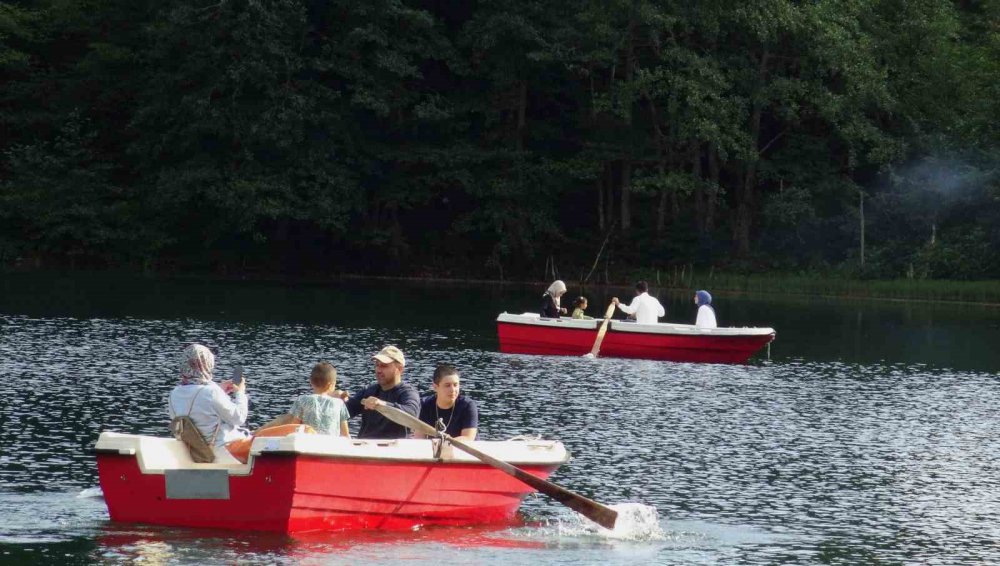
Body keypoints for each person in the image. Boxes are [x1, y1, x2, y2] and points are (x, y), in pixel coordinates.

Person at [167, 343, 250, 464]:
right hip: (224, 453)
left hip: (195, 453)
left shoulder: (174, 394)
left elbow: (198, 401)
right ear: (207, 364)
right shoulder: (212, 392)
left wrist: (220, 388)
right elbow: (239, 418)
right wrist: (240, 392)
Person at [343, 345, 420, 439]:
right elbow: (344, 412)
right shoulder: (368, 391)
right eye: (377, 365)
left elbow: (412, 414)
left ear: (400, 369)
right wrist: (333, 401)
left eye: (384, 366)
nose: (378, 370)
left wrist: (383, 405)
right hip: (365, 445)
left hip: (394, 446)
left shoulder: (408, 393)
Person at [258, 362, 350, 437]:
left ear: (311, 382)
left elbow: (294, 428)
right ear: (332, 384)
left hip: (308, 445)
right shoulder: (339, 403)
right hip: (330, 447)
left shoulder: (302, 400)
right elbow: (346, 435)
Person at [415, 364, 479, 440]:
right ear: (435, 387)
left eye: (455, 385)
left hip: (462, 447)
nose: (453, 390)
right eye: (447, 385)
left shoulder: (467, 406)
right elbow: (419, 437)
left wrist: (444, 442)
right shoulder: (424, 405)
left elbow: (468, 438)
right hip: (435, 446)